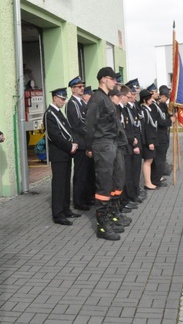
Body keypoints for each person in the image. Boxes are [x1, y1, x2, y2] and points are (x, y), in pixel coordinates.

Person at [85, 67, 128, 240]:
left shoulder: (106, 99)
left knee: (115, 181)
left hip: (113, 144)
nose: (115, 82)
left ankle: (111, 215)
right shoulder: (96, 99)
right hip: (102, 144)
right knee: (104, 184)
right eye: (113, 79)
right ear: (103, 79)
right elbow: (89, 125)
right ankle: (102, 226)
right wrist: (90, 147)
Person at [44, 88, 80, 226]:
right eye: (62, 99)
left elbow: (67, 130)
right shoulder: (50, 114)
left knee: (65, 183)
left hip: (65, 153)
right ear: (55, 98)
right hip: (58, 154)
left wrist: (73, 142)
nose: (64, 101)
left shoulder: (57, 113)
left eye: (65, 99)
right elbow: (54, 136)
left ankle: (66, 209)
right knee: (58, 185)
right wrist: (69, 146)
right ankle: (58, 214)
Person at [66, 76, 94, 211]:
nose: (82, 88)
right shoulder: (72, 104)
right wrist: (90, 133)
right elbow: (77, 124)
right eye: (79, 87)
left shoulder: (82, 102)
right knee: (80, 174)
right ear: (72, 89)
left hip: (87, 142)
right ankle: (78, 201)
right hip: (80, 143)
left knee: (88, 173)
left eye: (83, 86)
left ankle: (87, 197)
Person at [119, 84, 142, 209]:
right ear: (122, 96)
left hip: (128, 144)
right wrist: (132, 140)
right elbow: (123, 129)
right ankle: (124, 200)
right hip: (124, 146)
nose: (130, 99)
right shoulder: (120, 110)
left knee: (128, 174)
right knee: (125, 176)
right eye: (128, 96)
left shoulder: (125, 109)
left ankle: (128, 197)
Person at [138, 89, 159, 191]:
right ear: (144, 99)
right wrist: (150, 142)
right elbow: (146, 127)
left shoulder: (148, 109)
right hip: (148, 140)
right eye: (149, 98)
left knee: (150, 161)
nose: (152, 99)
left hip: (152, 138)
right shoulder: (143, 111)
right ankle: (147, 182)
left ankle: (149, 181)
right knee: (147, 161)